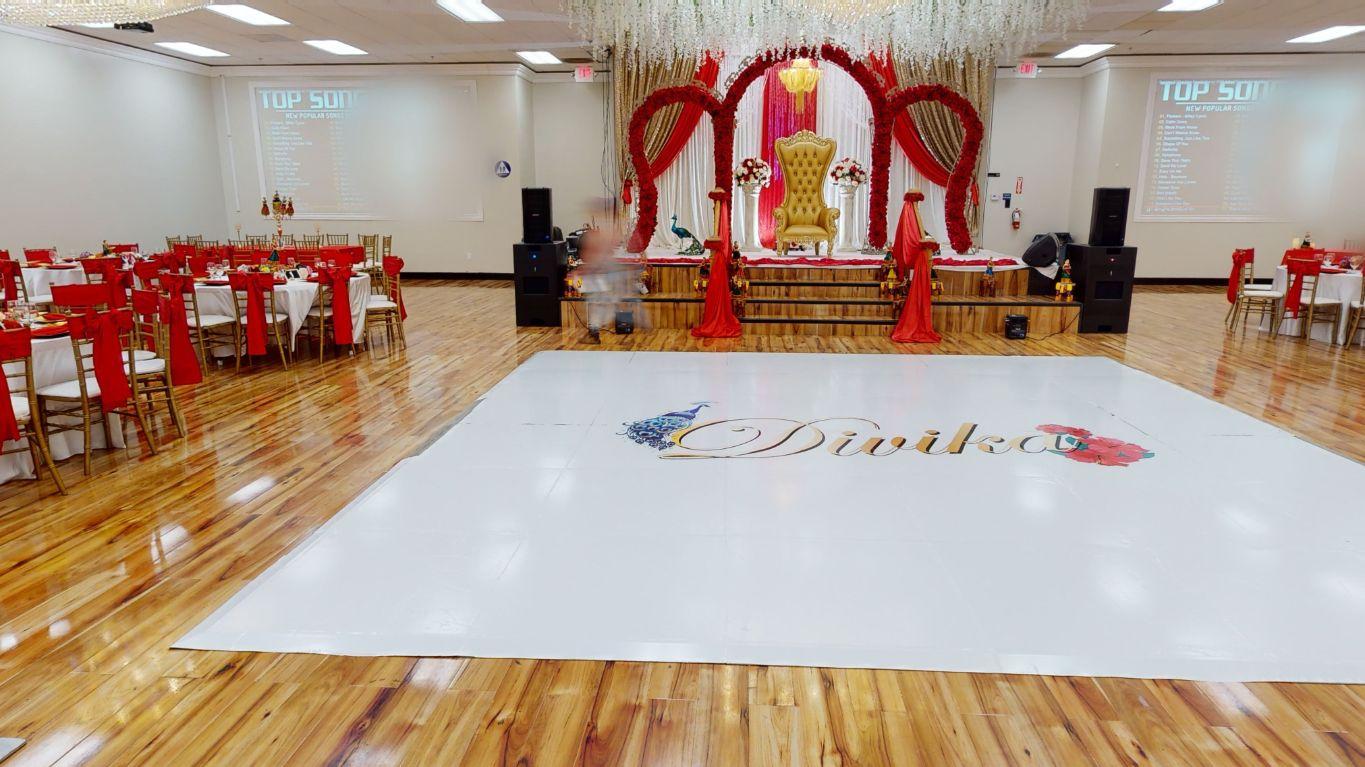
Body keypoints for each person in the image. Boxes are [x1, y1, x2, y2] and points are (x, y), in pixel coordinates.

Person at [575, 228, 641, 343]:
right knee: (595, 311)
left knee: (597, 310)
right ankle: (593, 335)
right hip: (599, 288)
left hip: (601, 288)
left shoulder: (599, 256)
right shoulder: (597, 256)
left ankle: (594, 335)